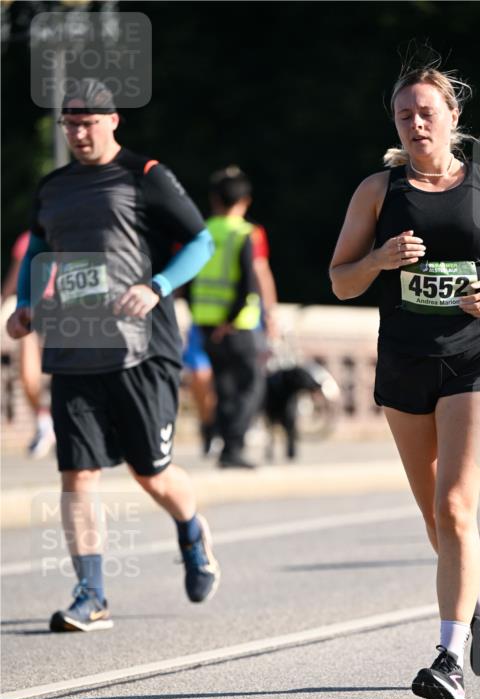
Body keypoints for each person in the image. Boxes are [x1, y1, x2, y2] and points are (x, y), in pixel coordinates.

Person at [330, 61, 480, 699]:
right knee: (435, 516)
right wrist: (376, 260)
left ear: (453, 117)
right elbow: (340, 280)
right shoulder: (377, 190)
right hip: (404, 357)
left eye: (427, 111)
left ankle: (448, 659)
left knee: (455, 506)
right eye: (404, 114)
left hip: (477, 354)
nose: (415, 122)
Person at [6, 79, 220, 632]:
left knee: (151, 474)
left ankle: (192, 530)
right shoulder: (52, 187)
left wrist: (158, 285)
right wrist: (26, 305)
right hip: (75, 350)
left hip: (142, 350)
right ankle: (91, 592)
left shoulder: (144, 176)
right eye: (69, 123)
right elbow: (38, 251)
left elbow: (201, 241)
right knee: (77, 474)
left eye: (88, 121)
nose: (78, 132)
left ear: (113, 119)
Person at [190, 167, 276, 468]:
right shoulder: (246, 234)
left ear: (214, 198)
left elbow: (188, 275)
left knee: (224, 388)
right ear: (246, 201)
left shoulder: (200, 231)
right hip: (237, 324)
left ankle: (225, 446)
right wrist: (267, 315)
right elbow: (252, 279)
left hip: (205, 321)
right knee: (251, 385)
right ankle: (234, 445)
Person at [1, 230, 56, 457]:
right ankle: (45, 423)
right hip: (37, 309)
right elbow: (16, 277)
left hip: (70, 311)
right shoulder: (29, 238)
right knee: (28, 369)